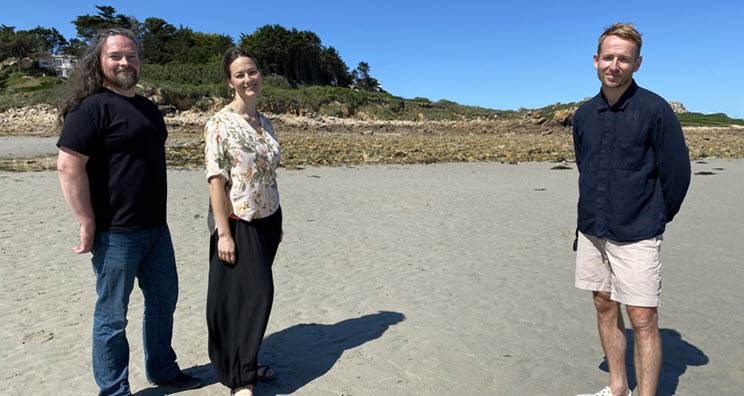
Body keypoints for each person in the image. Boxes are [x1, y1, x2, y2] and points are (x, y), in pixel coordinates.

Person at [56, 28, 201, 395]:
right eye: (115, 56)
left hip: (156, 229)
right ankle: (114, 389)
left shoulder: (148, 107)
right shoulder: (91, 107)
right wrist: (86, 221)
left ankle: (163, 370)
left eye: (131, 55)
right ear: (99, 62)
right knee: (112, 317)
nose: (125, 62)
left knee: (163, 301)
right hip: (114, 232)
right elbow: (68, 166)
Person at [573, 23, 691, 396]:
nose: (614, 65)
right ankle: (618, 387)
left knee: (642, 317)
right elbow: (585, 165)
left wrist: (654, 216)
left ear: (637, 63)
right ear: (595, 61)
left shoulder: (655, 110)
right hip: (593, 230)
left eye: (624, 59)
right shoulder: (584, 115)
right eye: (608, 57)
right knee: (604, 305)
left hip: (638, 231)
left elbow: (677, 174)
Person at [204, 47, 283, 396]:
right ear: (230, 81)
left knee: (250, 297)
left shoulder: (265, 122)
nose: (248, 79)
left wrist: (277, 220)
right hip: (239, 220)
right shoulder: (220, 124)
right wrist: (223, 233)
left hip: (269, 218)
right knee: (255, 296)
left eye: (252, 71)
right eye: (240, 74)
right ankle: (239, 380)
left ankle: (247, 364)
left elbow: (267, 174)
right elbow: (215, 179)